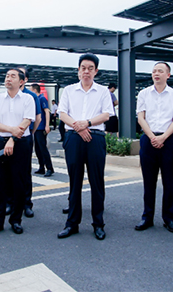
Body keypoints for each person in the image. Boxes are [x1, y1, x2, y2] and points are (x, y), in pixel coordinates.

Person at [57, 53, 114, 241]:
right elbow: (62, 113)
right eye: (83, 68)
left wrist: (86, 123)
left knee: (97, 182)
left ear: (96, 71)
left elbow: (107, 115)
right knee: (75, 181)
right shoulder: (69, 90)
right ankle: (72, 223)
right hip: (73, 137)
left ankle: (98, 224)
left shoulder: (103, 91)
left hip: (95, 138)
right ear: (78, 70)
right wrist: (78, 127)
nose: (86, 71)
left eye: (90, 68)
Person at [135, 62, 173, 233]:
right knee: (148, 182)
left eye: (160, 71)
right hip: (148, 140)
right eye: (154, 71)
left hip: (169, 140)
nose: (156, 73)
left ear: (168, 75)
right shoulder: (143, 93)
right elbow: (141, 118)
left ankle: (169, 218)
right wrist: (152, 137)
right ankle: (147, 217)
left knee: (169, 182)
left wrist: (163, 137)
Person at [0, 69, 35, 236]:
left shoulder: (28, 99)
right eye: (7, 76)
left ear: (21, 82)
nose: (8, 79)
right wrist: (11, 131)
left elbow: (27, 121)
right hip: (0, 142)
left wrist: (13, 138)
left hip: (21, 143)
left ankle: (16, 220)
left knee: (18, 183)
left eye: (13, 76)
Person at [16, 66, 41, 218]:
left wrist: (30, 133)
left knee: (25, 171)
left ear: (24, 80)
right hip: (7, 138)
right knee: (8, 172)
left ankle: (27, 203)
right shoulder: (5, 95)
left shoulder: (31, 96)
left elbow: (37, 118)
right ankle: (11, 202)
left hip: (24, 138)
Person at [31, 83, 54, 177]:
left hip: (41, 128)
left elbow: (46, 112)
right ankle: (41, 167)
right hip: (36, 128)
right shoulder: (35, 99)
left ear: (35, 90)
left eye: (31, 89)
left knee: (43, 148)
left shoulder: (42, 98)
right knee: (37, 148)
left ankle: (49, 168)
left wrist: (47, 125)